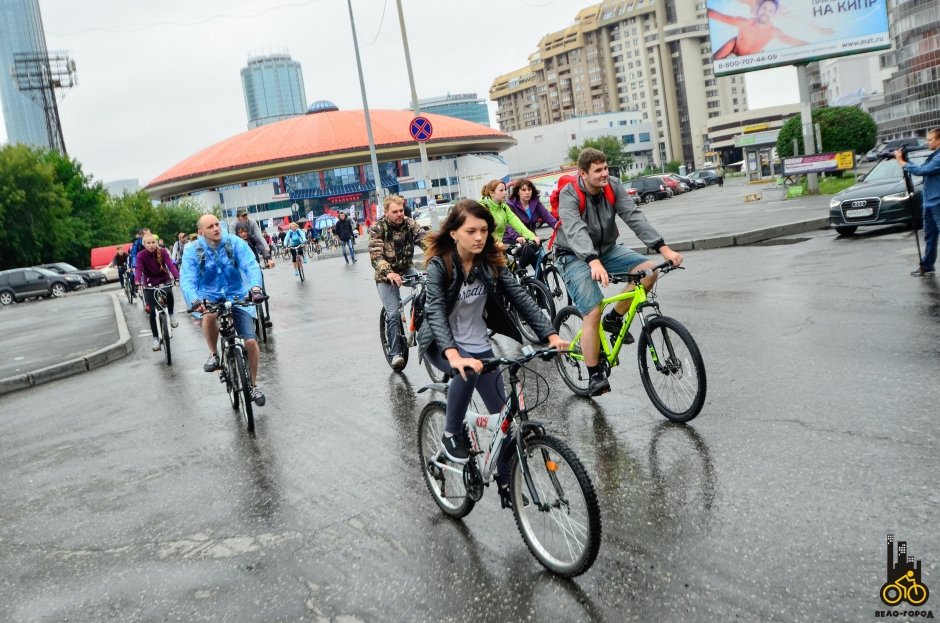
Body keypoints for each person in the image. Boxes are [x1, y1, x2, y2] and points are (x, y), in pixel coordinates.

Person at [417, 199, 568, 506]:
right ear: (454, 233)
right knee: (467, 370)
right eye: (471, 230)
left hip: (478, 344)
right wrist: (453, 355)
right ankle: (450, 435)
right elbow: (434, 309)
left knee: (507, 419)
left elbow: (522, 298)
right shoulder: (440, 265)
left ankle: (505, 481)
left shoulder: (489, 262)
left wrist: (550, 334)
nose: (479, 236)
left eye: (484, 230)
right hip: (440, 343)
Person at [554, 148, 683, 396]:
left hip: (607, 249)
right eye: (598, 171)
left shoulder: (612, 186)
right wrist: (592, 261)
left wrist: (663, 248)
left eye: (606, 168)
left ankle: (614, 318)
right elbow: (575, 230)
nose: (605, 174)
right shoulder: (569, 194)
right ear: (583, 173)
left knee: (648, 271)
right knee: (592, 310)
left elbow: (634, 217)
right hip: (572, 254)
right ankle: (594, 374)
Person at [180, 214, 267, 406]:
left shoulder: (233, 242)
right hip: (208, 296)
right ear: (201, 232)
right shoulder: (193, 250)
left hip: (236, 293)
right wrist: (194, 300)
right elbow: (187, 279)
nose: (216, 229)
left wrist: (255, 288)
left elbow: (250, 265)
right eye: (210, 226)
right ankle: (214, 354)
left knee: (251, 342)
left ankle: (252, 385)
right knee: (209, 316)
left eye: (217, 224)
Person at [369, 194, 427, 370]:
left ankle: (421, 319)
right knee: (393, 314)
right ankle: (395, 353)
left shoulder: (410, 224)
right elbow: (376, 256)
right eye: (395, 211)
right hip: (385, 276)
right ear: (386, 212)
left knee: (427, 285)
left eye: (401, 210)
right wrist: (389, 273)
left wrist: (440, 257)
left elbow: (426, 241)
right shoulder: (378, 228)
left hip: (406, 269)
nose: (399, 214)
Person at [896, 128, 940, 277]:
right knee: (929, 235)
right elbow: (921, 168)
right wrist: (906, 160)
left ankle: (927, 265)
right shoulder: (934, 156)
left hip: (938, 202)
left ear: (939, 140)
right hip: (929, 201)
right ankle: (927, 265)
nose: (928, 142)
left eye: (930, 139)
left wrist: (903, 163)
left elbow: (922, 170)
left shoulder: (939, 158)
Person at [709, 0, 808, 60]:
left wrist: (814, 48)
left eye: (770, 11)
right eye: (764, 8)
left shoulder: (773, 31)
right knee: (726, 48)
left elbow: (792, 41)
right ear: (758, 9)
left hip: (752, 60)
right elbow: (720, 17)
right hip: (734, 53)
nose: (765, 12)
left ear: (773, 14)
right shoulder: (744, 22)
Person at [134, 233, 180, 351]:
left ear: (156, 242)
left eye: (153, 242)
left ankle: (171, 314)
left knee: (169, 292)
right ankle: (155, 338)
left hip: (164, 279)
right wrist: (137, 280)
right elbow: (138, 268)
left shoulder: (163, 252)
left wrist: (176, 276)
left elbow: (170, 264)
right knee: (152, 312)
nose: (151, 245)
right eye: (148, 243)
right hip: (149, 283)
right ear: (144, 244)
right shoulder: (141, 255)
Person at [504, 178, 558, 270]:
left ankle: (538, 283)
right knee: (529, 252)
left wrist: (559, 227)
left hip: (530, 237)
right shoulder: (511, 205)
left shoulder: (535, 203)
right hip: (512, 238)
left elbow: (547, 217)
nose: (527, 192)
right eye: (523, 190)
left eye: (529, 189)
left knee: (539, 261)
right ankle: (517, 270)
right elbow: (509, 225)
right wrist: (517, 236)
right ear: (518, 192)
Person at [479, 179, 539, 247]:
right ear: (492, 193)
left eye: (505, 190)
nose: (505, 193)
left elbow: (517, 223)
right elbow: (480, 231)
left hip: (499, 246)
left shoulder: (504, 207)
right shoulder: (482, 208)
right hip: (485, 248)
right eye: (501, 190)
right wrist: (494, 243)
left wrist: (532, 236)